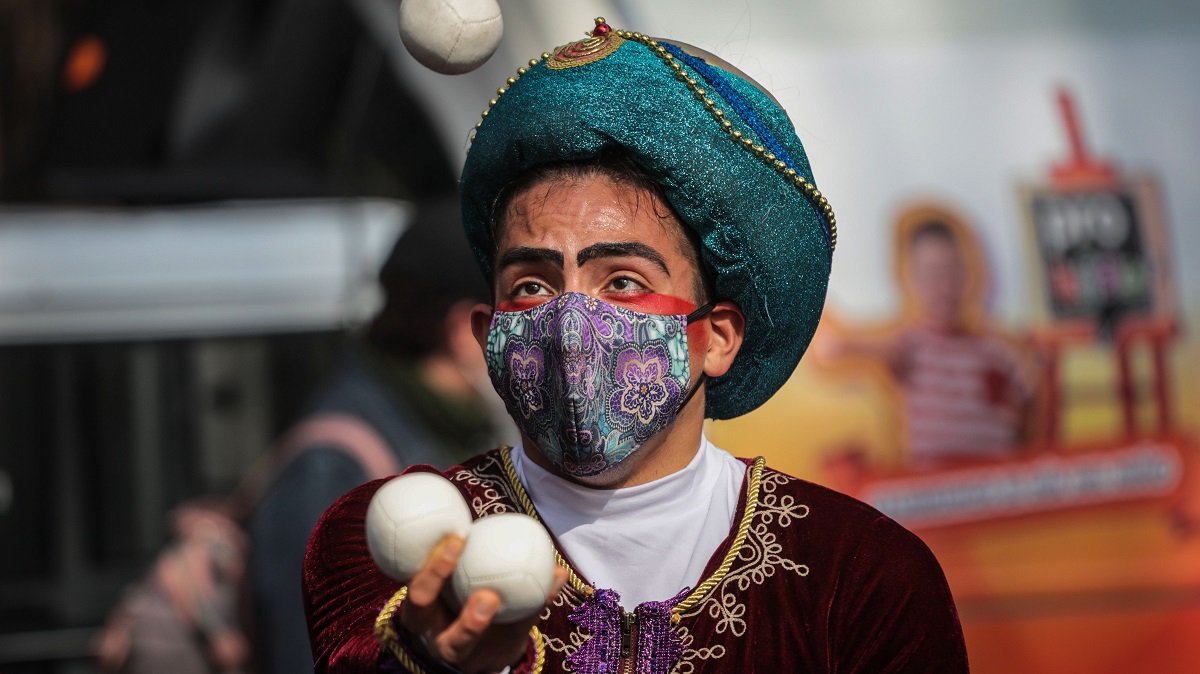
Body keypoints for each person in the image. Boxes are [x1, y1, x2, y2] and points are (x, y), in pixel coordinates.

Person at [303, 18, 969, 673]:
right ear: (488, 336)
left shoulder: (856, 576)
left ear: (717, 337)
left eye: (622, 281)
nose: (570, 322)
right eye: (532, 285)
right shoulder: (391, 541)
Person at [247, 196, 507, 674]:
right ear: (462, 330)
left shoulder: (443, 429)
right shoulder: (333, 467)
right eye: (519, 306)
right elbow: (305, 655)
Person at [821, 205, 1040, 468]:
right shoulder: (912, 345)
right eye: (932, 275)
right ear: (911, 280)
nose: (944, 286)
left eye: (952, 271)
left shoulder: (992, 348)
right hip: (930, 483)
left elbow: (1029, 385)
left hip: (993, 479)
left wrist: (1032, 367)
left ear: (966, 274)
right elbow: (851, 350)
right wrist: (838, 344)